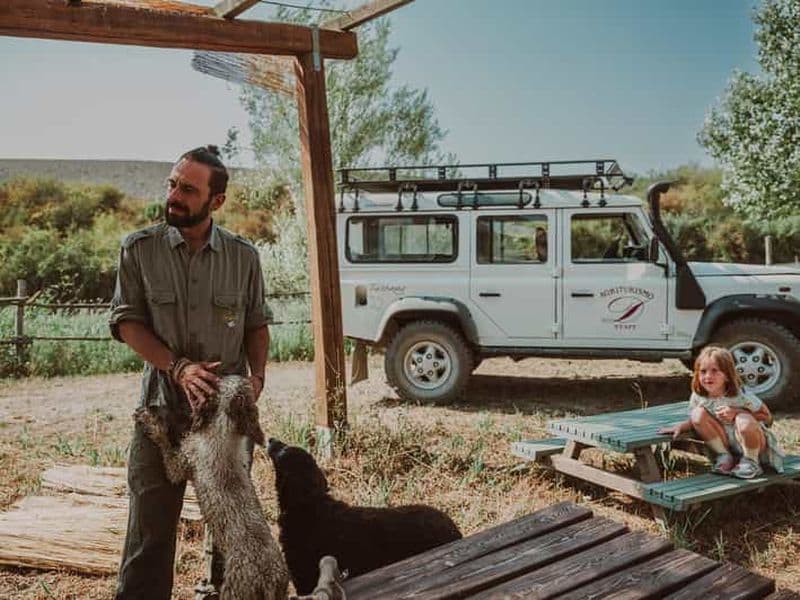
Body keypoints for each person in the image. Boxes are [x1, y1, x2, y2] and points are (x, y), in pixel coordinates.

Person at [109, 145, 270, 600]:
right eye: (173, 184)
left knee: (232, 533)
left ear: (215, 201)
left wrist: (255, 381)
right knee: (149, 534)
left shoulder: (244, 257)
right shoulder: (138, 249)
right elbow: (126, 323)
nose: (174, 195)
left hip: (224, 418)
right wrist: (178, 368)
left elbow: (257, 325)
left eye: (188, 189)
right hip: (160, 411)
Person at [658, 345, 785, 479]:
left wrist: (737, 412)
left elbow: (767, 418)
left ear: (727, 375)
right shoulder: (699, 396)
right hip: (726, 442)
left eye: (715, 371)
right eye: (703, 371)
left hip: (754, 444)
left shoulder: (740, 395)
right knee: (697, 414)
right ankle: (724, 456)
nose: (708, 376)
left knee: (743, 418)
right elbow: (695, 421)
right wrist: (680, 427)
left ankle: (751, 462)